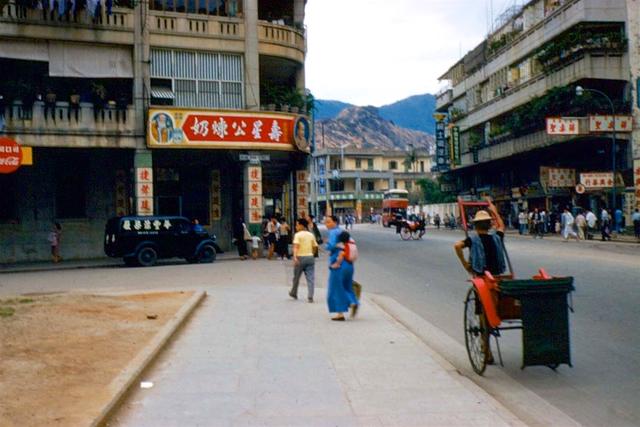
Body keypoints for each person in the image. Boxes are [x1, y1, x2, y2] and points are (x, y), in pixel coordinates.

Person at [454, 198, 506, 277]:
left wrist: (465, 264)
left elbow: (457, 246)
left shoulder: (472, 240)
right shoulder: (497, 238)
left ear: (475, 225)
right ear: (490, 225)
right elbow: (501, 226)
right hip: (496, 273)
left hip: (480, 273)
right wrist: (495, 212)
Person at [324, 216, 357, 321]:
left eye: (329, 222)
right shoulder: (342, 232)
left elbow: (331, 245)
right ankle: (353, 301)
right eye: (326, 222)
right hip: (349, 263)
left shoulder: (333, 233)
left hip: (338, 264)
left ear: (335, 222)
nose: (326, 224)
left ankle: (343, 310)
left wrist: (327, 245)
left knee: (336, 288)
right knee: (347, 286)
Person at [289, 218, 318, 303]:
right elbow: (315, 247)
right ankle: (310, 296)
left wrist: (294, 257)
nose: (296, 226)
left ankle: (294, 292)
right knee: (310, 278)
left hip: (300, 257)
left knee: (296, 277)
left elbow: (296, 246)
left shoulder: (297, 235)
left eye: (297, 224)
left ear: (301, 225)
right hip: (310, 257)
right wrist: (312, 254)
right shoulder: (311, 235)